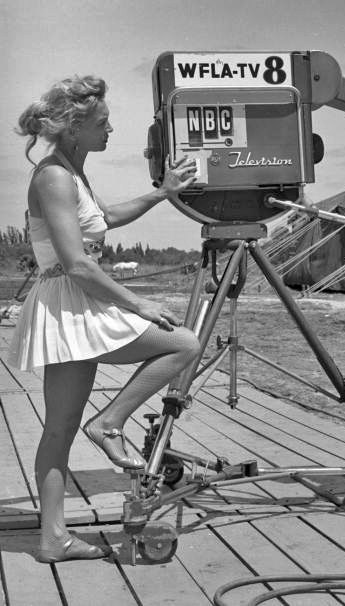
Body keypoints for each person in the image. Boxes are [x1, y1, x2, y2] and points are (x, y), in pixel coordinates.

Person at [9, 75, 202, 563]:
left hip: (72, 301)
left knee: (59, 428)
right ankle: (111, 422)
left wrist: (162, 192)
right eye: (103, 123)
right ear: (75, 128)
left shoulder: (72, 171)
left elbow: (105, 219)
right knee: (182, 342)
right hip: (70, 299)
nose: (111, 130)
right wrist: (138, 304)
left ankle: (54, 539)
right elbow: (77, 262)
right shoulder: (53, 176)